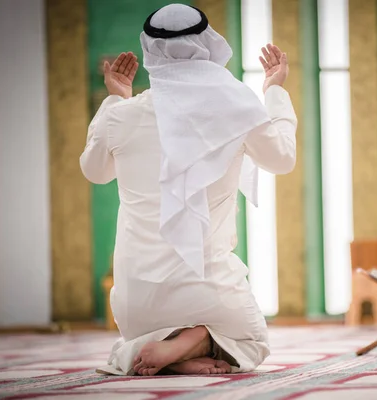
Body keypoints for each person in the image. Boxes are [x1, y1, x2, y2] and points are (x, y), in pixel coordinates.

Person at [80, 3, 297, 376]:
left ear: (151, 50)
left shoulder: (122, 115)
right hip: (209, 288)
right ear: (208, 45)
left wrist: (116, 97)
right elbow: (282, 159)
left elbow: (95, 171)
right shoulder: (238, 109)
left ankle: (168, 352)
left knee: (133, 342)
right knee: (252, 342)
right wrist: (273, 91)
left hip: (136, 299)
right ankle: (196, 339)